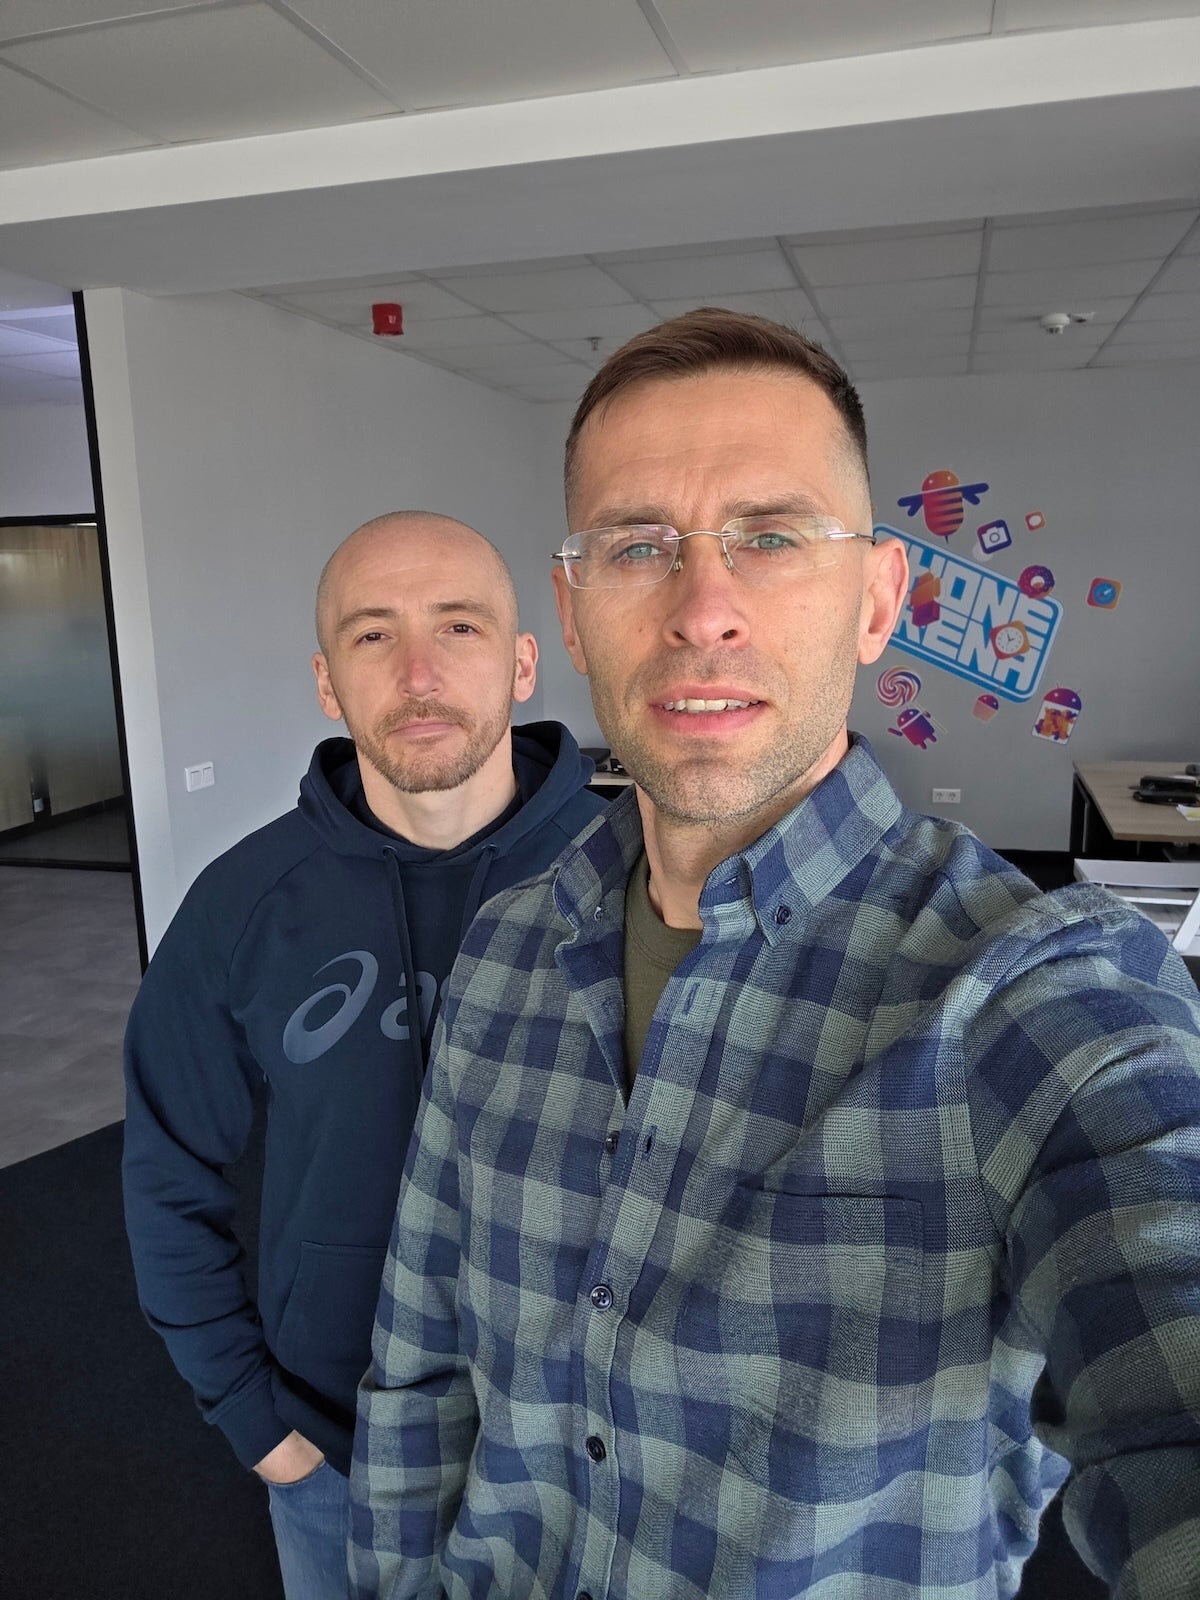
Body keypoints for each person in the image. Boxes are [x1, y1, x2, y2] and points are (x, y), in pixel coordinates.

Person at [348, 314, 1200, 1600]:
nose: (703, 611)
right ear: (571, 614)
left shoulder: (1032, 997)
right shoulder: (511, 946)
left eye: (773, 537)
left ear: (878, 602)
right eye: (639, 546)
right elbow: (420, 1362)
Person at [122, 512, 606, 1600]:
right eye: (373, 635)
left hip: (586, 1450)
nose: (419, 673)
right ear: (327, 682)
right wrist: (258, 1424)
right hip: (335, 1447)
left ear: (525, 662)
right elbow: (167, 1170)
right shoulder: (245, 903)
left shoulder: (630, 880)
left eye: (460, 627)